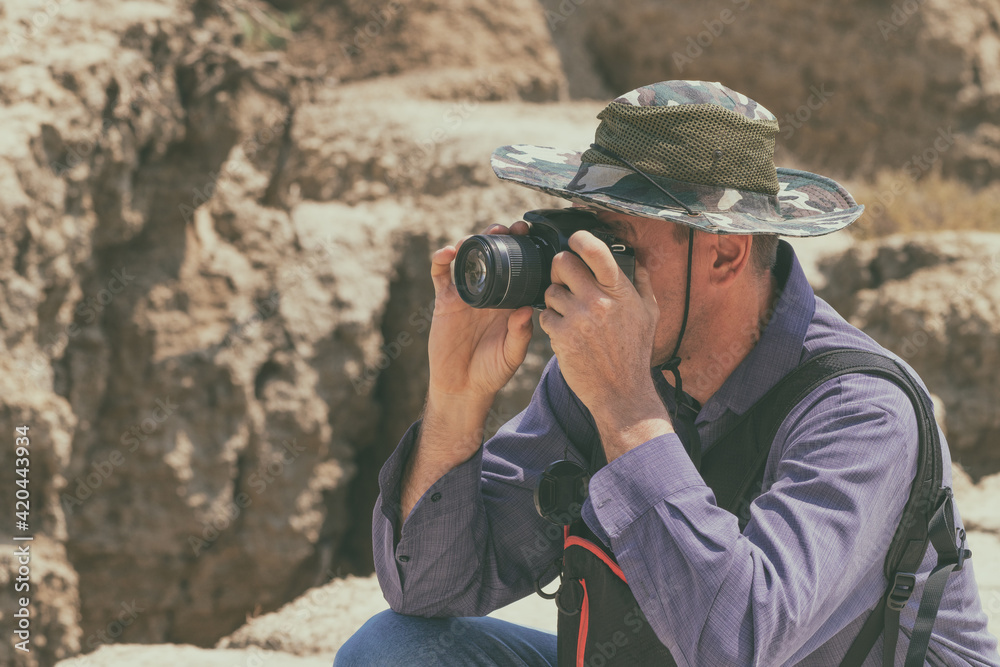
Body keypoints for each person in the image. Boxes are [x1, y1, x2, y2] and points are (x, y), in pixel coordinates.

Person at [336, 81, 1000, 665]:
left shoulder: (860, 413)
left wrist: (626, 407)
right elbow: (428, 588)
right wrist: (456, 395)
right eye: (580, 233)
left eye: (616, 243)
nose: (586, 271)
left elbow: (737, 644)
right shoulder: (602, 378)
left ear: (726, 255)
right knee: (392, 651)